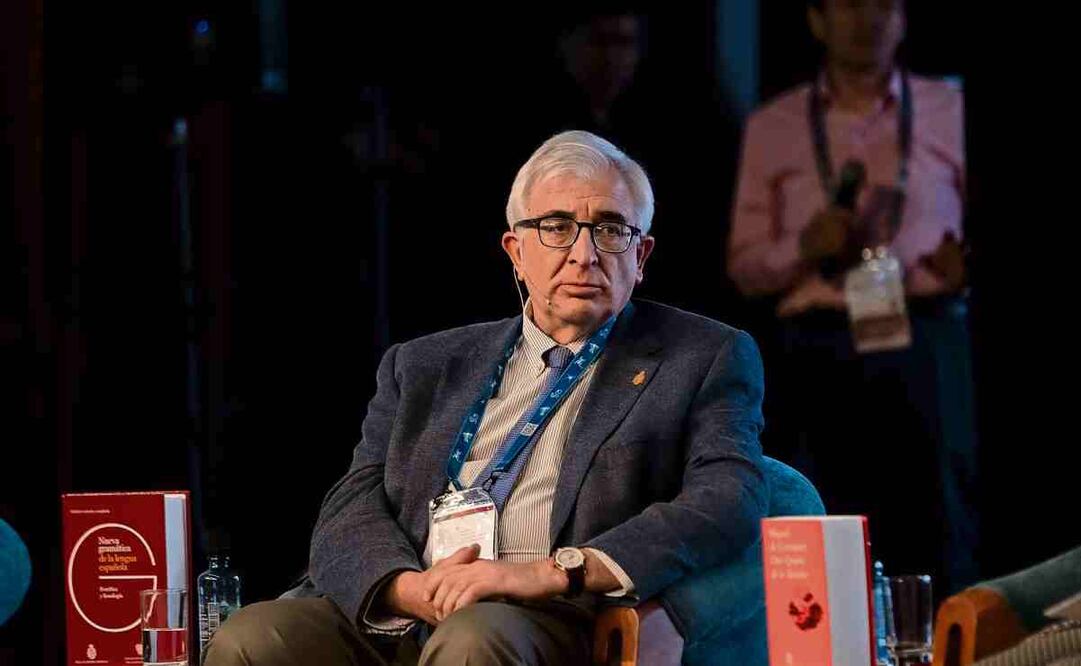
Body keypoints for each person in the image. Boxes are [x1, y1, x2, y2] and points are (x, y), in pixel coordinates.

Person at [206, 130, 768, 665]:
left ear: (640, 257)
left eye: (610, 229)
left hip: (545, 616)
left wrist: (556, 571)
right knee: (254, 638)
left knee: (472, 638)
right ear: (515, 252)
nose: (583, 253)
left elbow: (728, 499)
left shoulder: (702, 356)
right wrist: (407, 589)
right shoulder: (423, 364)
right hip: (408, 608)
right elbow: (349, 506)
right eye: (556, 226)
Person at [727, 0, 978, 594]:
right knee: (821, 524)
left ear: (905, 17)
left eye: (883, 5)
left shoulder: (949, 108)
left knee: (941, 519)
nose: (867, 19)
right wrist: (804, 247)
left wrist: (966, 264)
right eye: (849, 5)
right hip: (818, 347)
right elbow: (744, 265)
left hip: (925, 334)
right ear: (815, 20)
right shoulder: (775, 124)